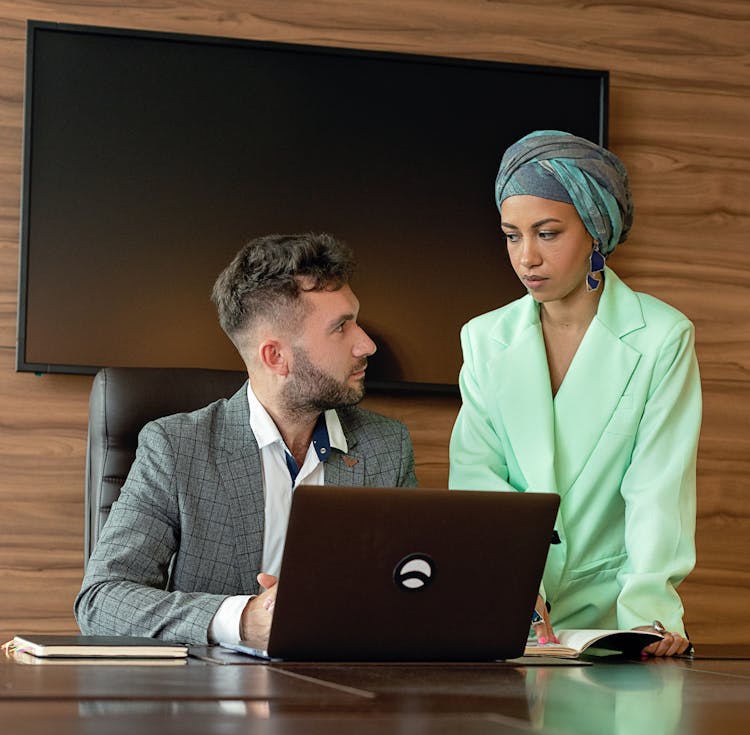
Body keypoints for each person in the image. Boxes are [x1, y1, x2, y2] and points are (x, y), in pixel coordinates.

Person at [75, 232, 417, 647]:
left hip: (349, 693)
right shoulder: (176, 447)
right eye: (341, 328)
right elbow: (101, 600)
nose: (367, 343)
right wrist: (243, 620)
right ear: (276, 357)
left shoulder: (387, 446)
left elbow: (411, 591)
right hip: (211, 700)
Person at [449, 130, 701, 657]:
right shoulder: (483, 338)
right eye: (512, 236)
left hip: (614, 622)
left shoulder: (661, 336)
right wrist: (513, 585)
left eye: (547, 233)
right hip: (509, 616)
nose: (527, 258)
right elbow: (478, 477)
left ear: (595, 231)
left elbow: (658, 487)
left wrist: (647, 619)